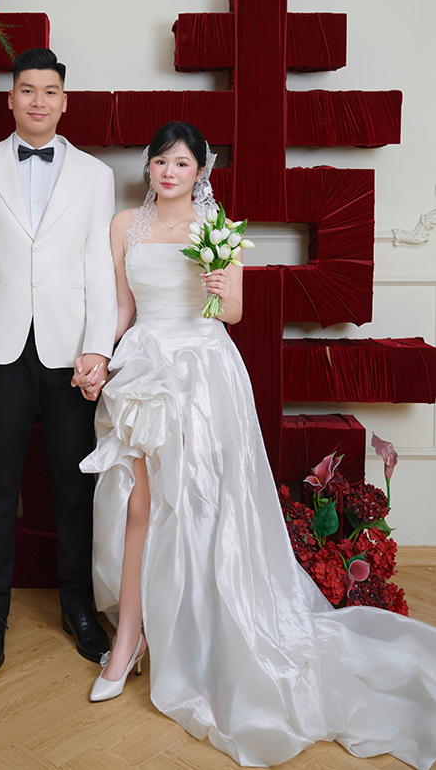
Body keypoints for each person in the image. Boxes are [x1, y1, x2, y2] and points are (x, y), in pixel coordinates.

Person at [79, 121, 436, 769]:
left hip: (203, 373)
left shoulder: (217, 228)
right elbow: (122, 306)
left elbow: (234, 313)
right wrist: (100, 354)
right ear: (148, 166)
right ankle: (128, 639)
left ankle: (206, 634)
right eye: (160, 161)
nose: (168, 172)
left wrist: (220, 289)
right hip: (145, 369)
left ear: (200, 172)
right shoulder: (124, 224)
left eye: (181, 163)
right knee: (138, 504)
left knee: (202, 505)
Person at [0, 47, 117, 674]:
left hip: (71, 352)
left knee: (75, 485)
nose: (38, 100)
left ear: (65, 102)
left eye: (50, 91)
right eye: (27, 90)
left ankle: (79, 609)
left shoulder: (95, 175)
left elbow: (100, 268)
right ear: (11, 99)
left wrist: (98, 347)